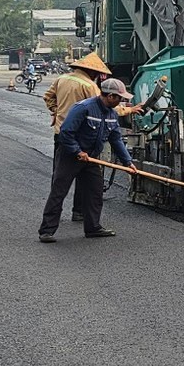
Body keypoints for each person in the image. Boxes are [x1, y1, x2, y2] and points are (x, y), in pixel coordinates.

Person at [40, 77, 137, 242]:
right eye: (119, 98)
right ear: (110, 96)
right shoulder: (83, 108)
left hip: (91, 158)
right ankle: (47, 230)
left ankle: (93, 228)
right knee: (59, 191)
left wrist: (128, 162)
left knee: (95, 192)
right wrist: (77, 151)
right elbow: (65, 133)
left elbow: (116, 140)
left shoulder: (113, 114)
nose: (121, 101)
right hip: (70, 156)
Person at [43, 52, 111, 220]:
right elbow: (101, 108)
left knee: (59, 178)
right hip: (80, 137)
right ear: (92, 72)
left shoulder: (61, 79)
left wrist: (56, 111)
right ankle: (78, 211)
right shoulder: (90, 86)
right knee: (84, 175)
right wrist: (127, 109)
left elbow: (48, 97)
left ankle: (52, 220)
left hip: (60, 135)